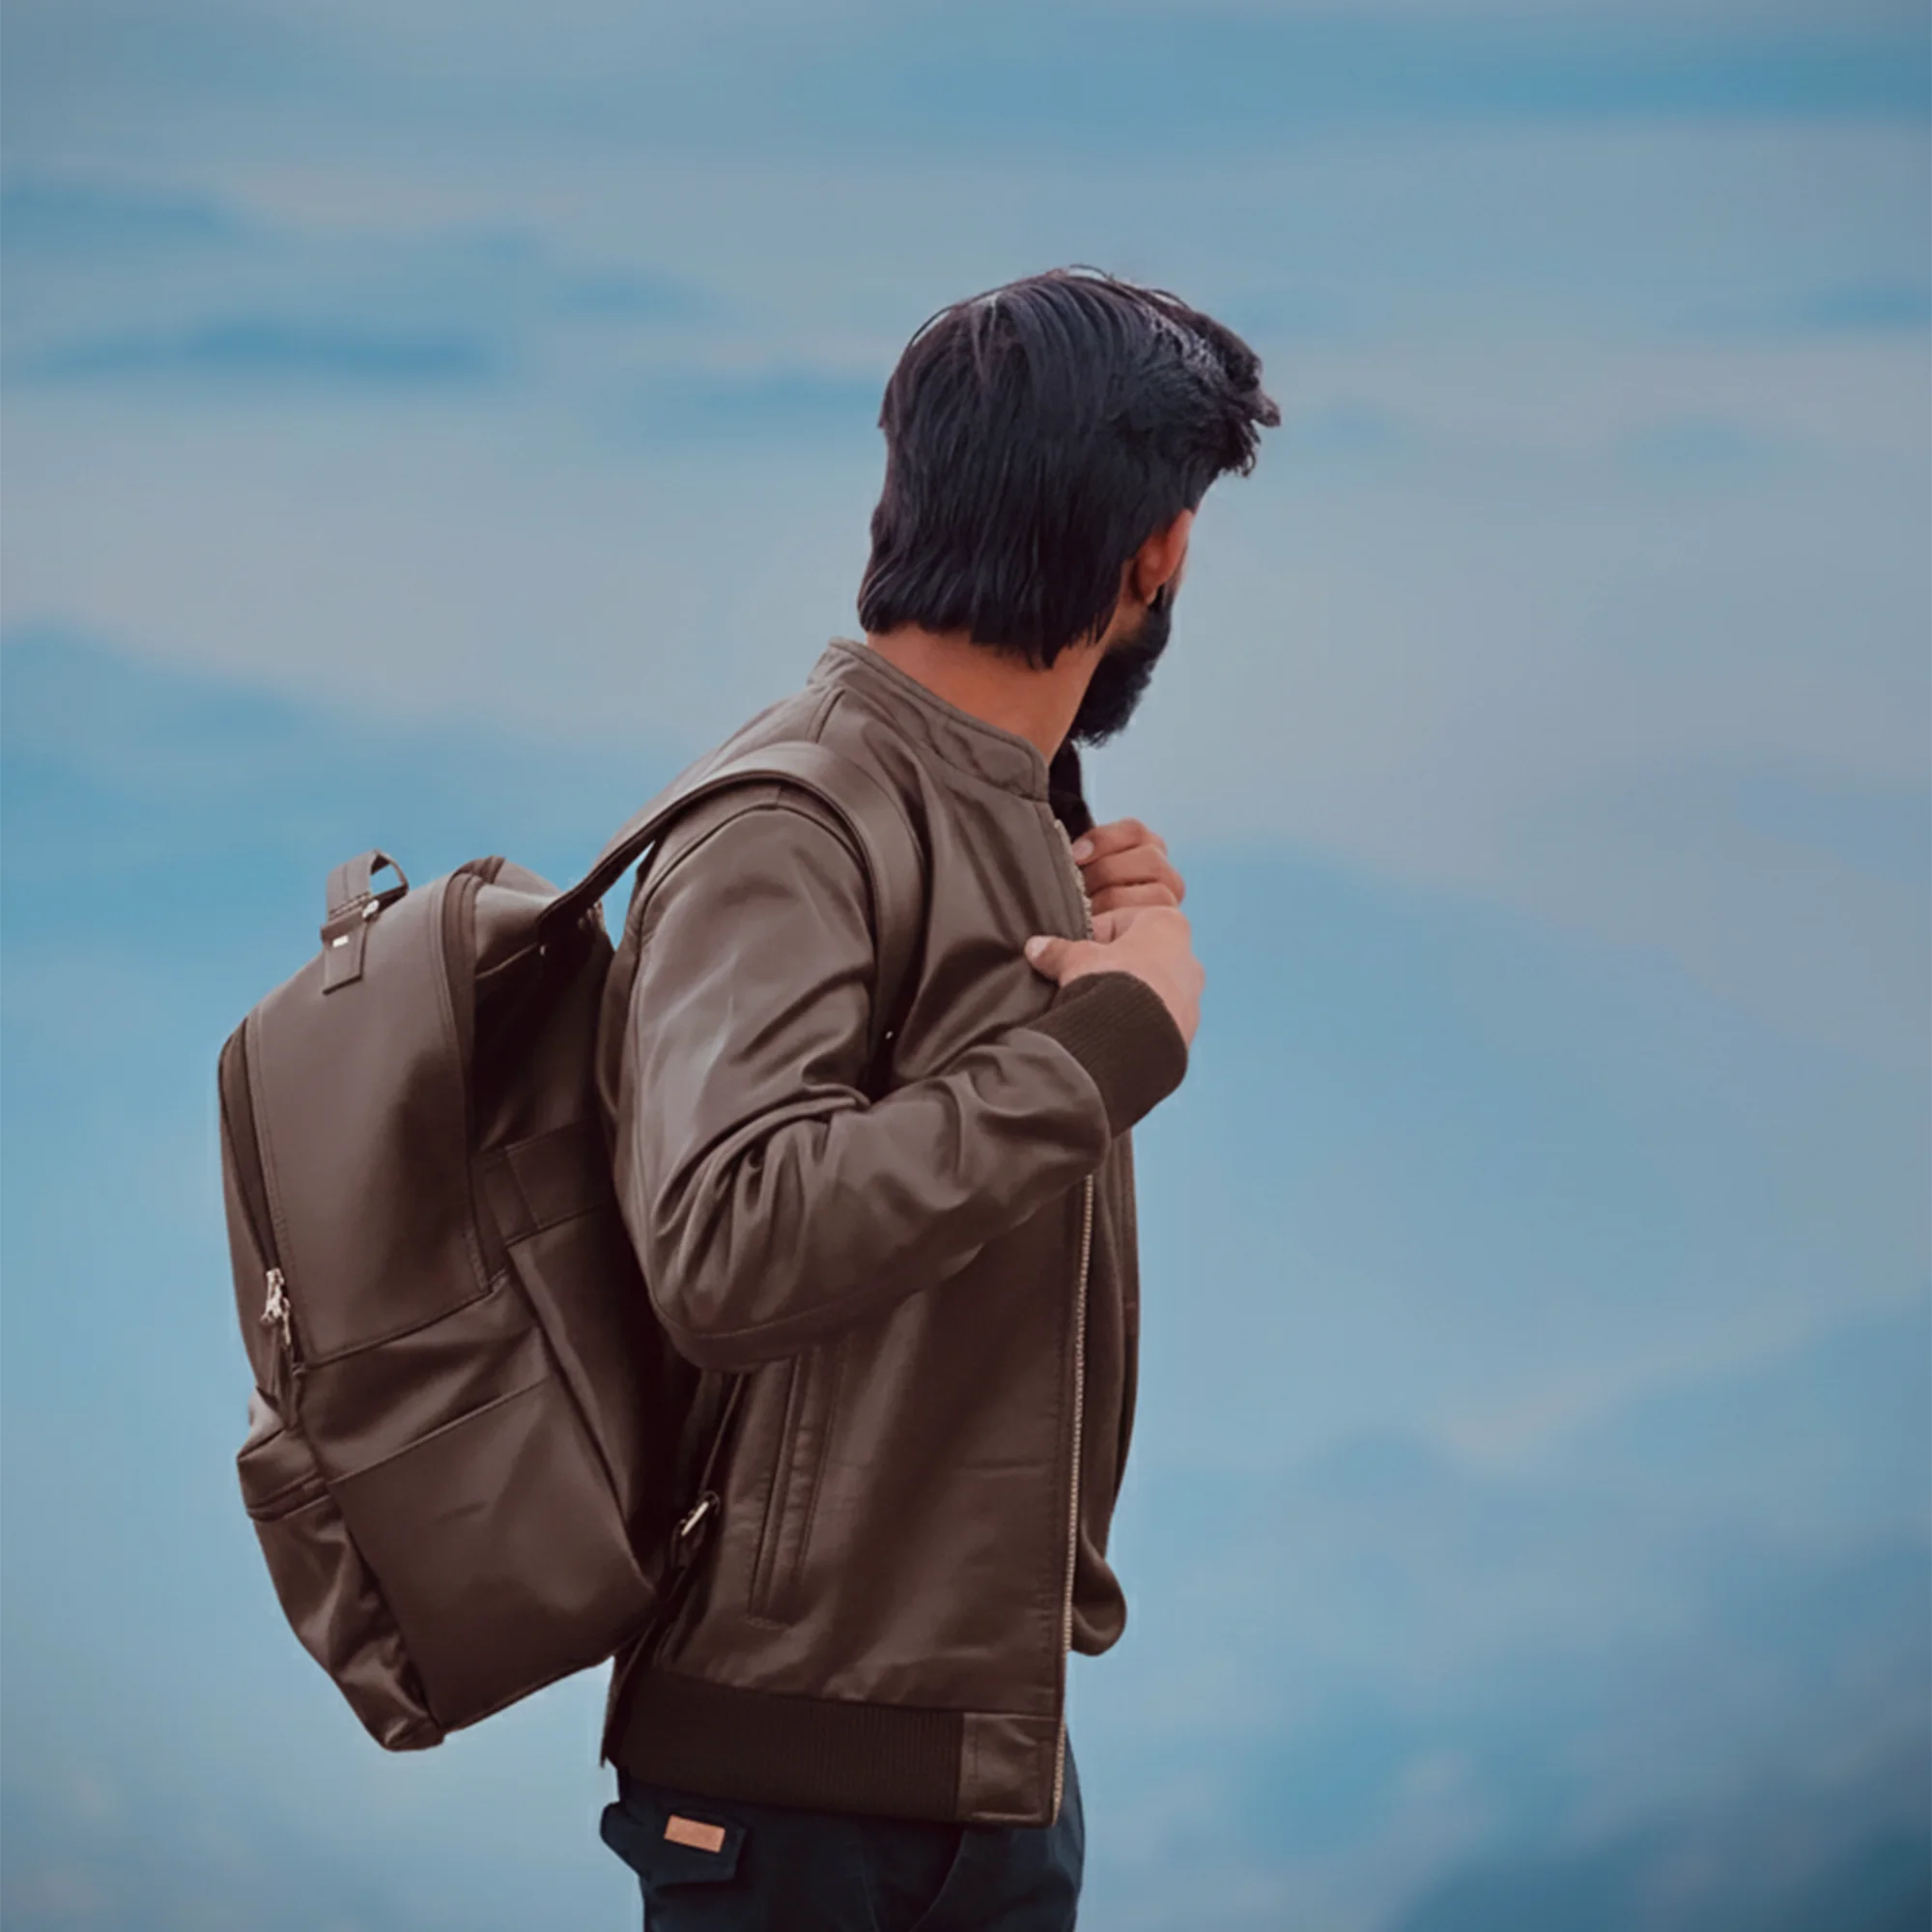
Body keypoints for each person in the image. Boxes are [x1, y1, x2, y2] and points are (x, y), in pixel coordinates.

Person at [592, 267, 1277, 1929]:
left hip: (970, 1769)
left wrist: (1124, 952)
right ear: (1158, 555)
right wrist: (1107, 1052)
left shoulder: (1003, 806)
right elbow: (729, 1242)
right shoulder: (796, 817)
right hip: (802, 1800)